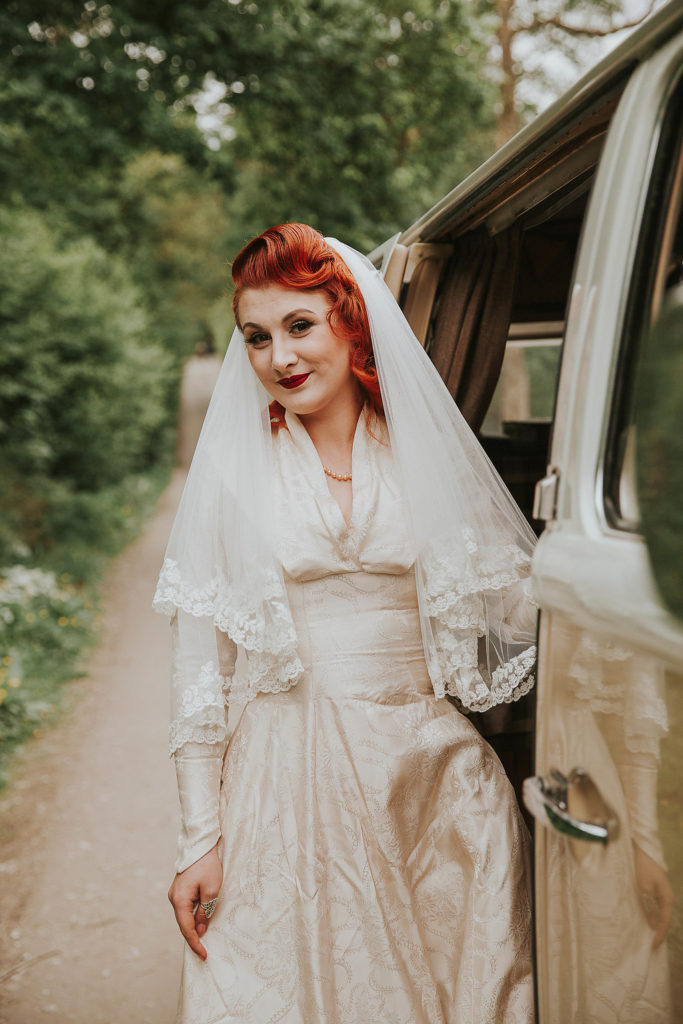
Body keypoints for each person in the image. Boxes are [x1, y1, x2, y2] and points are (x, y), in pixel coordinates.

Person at [154, 223, 538, 1024]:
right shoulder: (236, 474)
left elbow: (516, 607)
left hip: (428, 783)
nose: (278, 357)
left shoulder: (423, 454)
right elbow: (200, 674)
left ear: (350, 322)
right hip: (287, 787)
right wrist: (200, 840)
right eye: (256, 337)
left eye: (300, 325)